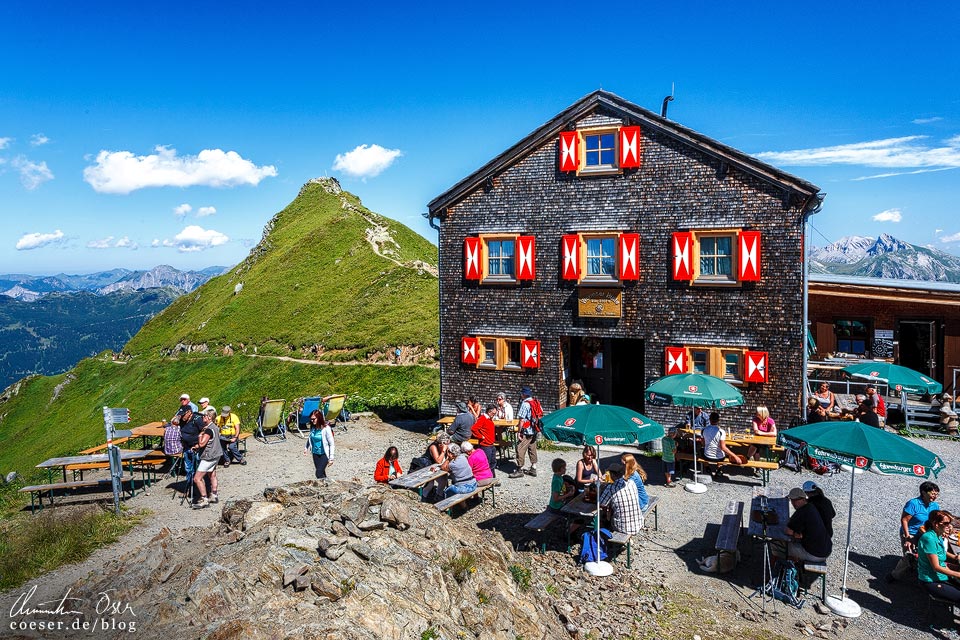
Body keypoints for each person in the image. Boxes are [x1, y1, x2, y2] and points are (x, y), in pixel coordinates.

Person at [891, 481, 942, 581]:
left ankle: (921, 573)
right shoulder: (913, 503)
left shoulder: (934, 506)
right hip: (911, 533)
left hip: (924, 533)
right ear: (923, 492)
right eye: (932, 493)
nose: (935, 496)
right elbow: (904, 520)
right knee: (908, 556)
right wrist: (907, 537)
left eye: (937, 494)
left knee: (928, 553)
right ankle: (894, 575)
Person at [916, 510, 960, 603]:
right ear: (936, 524)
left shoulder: (937, 534)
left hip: (940, 576)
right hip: (930, 580)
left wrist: (956, 562)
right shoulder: (929, 539)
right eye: (946, 523)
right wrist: (958, 574)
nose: (950, 526)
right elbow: (936, 567)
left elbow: (940, 554)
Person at [784, 487, 832, 563]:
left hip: (815, 555)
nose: (793, 503)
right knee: (795, 540)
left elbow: (788, 531)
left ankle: (785, 569)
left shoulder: (801, 512)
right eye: (792, 500)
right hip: (826, 550)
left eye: (795, 500)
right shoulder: (811, 507)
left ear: (803, 499)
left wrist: (794, 533)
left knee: (781, 546)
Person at [599, 464, 643, 535]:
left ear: (613, 475)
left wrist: (602, 488)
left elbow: (601, 504)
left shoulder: (611, 487)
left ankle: (602, 534)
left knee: (604, 515)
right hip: (638, 522)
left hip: (623, 527)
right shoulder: (631, 482)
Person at [192, 408, 223, 509]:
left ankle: (204, 499)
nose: (202, 418)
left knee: (197, 478)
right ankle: (214, 495)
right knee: (212, 474)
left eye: (204, 416)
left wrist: (199, 436)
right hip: (217, 454)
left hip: (208, 456)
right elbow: (212, 441)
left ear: (209, 417)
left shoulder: (208, 430)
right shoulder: (215, 427)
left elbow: (202, 443)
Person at [702, 412, 741, 479]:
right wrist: (735, 456)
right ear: (718, 420)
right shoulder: (721, 431)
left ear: (709, 419)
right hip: (719, 458)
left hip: (707, 456)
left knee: (701, 450)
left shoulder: (703, 430)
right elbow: (723, 447)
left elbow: (703, 443)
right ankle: (719, 468)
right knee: (724, 451)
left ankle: (707, 467)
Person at [510, 387, 539, 478]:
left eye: (521, 393)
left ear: (524, 394)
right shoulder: (535, 401)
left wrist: (519, 432)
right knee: (532, 448)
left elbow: (522, 420)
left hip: (526, 431)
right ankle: (533, 467)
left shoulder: (525, 404)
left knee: (520, 448)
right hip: (534, 429)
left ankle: (519, 469)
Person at [178, 406, 203, 502]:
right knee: (188, 469)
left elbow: (205, 431)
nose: (182, 416)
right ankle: (189, 488)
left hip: (196, 448)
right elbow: (173, 422)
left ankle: (201, 492)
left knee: (199, 470)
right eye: (181, 414)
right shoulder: (182, 420)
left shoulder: (197, 419)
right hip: (186, 447)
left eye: (183, 414)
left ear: (189, 412)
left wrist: (199, 444)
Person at [302, 409, 335, 479]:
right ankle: (326, 487)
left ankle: (327, 486)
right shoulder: (313, 427)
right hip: (315, 453)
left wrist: (331, 458)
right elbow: (310, 438)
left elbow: (331, 444)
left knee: (318, 473)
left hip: (324, 454)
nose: (312, 421)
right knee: (322, 473)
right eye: (311, 419)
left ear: (319, 418)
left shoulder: (326, 429)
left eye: (314, 419)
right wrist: (306, 448)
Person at [746, 406, 777, 473]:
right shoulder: (755, 419)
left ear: (762, 413)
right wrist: (767, 433)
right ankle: (757, 468)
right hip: (757, 441)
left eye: (757, 412)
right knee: (756, 449)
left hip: (767, 442)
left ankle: (747, 458)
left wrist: (761, 433)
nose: (756, 413)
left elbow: (774, 433)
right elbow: (756, 431)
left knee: (755, 447)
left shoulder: (770, 421)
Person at [472, 403, 498, 473]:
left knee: (492, 462)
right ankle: (487, 478)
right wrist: (481, 436)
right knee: (487, 463)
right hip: (485, 445)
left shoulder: (489, 419)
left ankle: (492, 478)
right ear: (489, 412)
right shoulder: (483, 418)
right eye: (493, 413)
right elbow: (474, 428)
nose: (494, 415)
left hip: (490, 444)